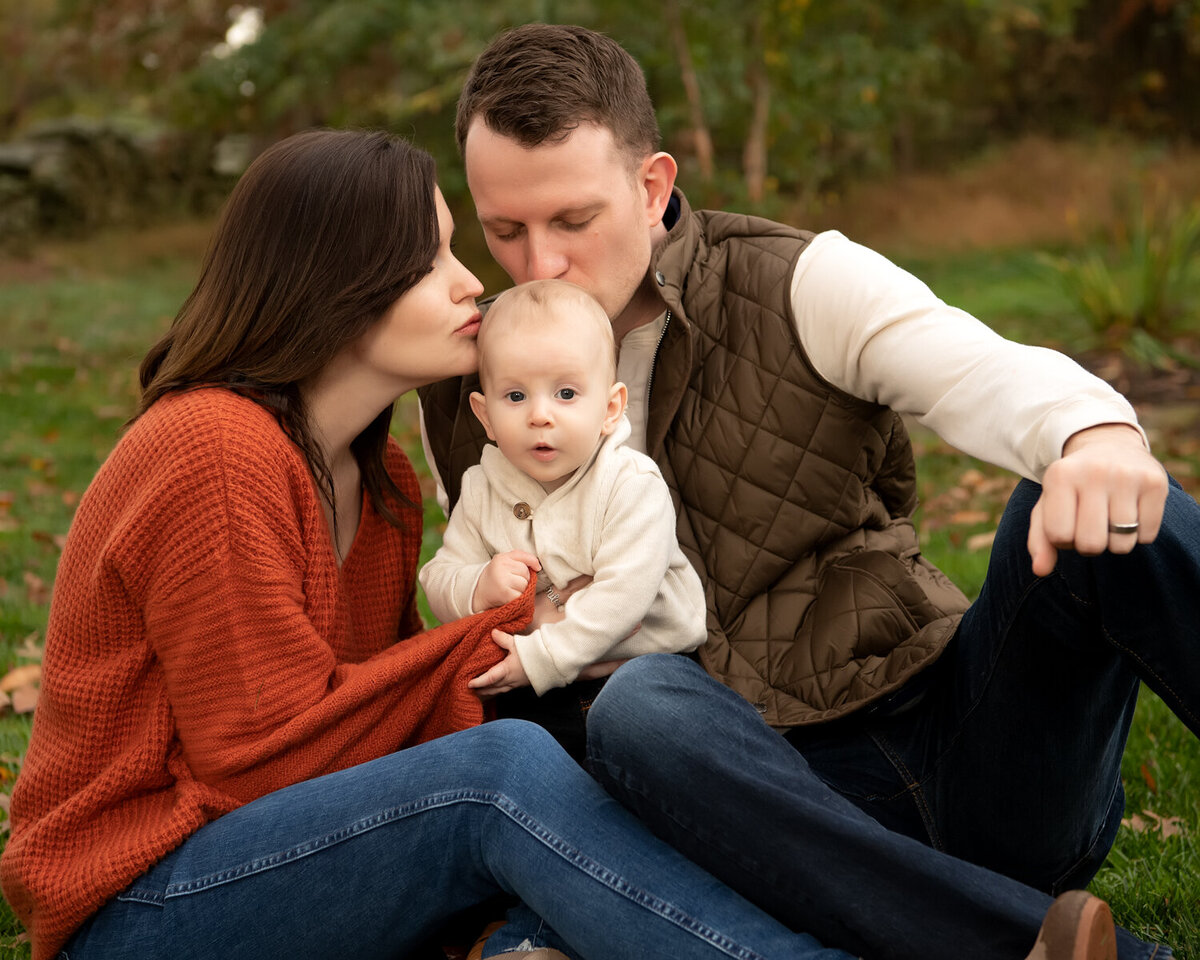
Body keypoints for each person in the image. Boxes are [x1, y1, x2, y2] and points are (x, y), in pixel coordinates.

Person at [419, 21, 1200, 960]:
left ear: (652, 184)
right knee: (640, 706)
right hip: (747, 816)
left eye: (572, 221)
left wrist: (1097, 432)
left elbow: (988, 374)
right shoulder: (467, 386)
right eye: (505, 229)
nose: (537, 264)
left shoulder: (799, 280)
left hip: (965, 753)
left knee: (1093, 507)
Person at [0, 128, 873, 960]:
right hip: (138, 904)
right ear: (335, 282)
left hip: (281, 867)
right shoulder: (213, 451)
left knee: (570, 736)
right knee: (497, 771)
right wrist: (524, 626)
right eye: (431, 260)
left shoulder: (382, 482)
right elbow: (260, 766)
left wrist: (526, 644)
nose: (470, 286)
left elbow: (374, 747)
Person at [419, 278, 706, 761]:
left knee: (644, 738)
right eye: (515, 397)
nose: (540, 415)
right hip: (530, 682)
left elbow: (624, 596)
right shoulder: (482, 488)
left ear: (610, 408)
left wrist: (543, 656)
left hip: (646, 668)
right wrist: (477, 586)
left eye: (566, 392)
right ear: (485, 416)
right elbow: (437, 577)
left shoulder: (629, 483)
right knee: (505, 751)